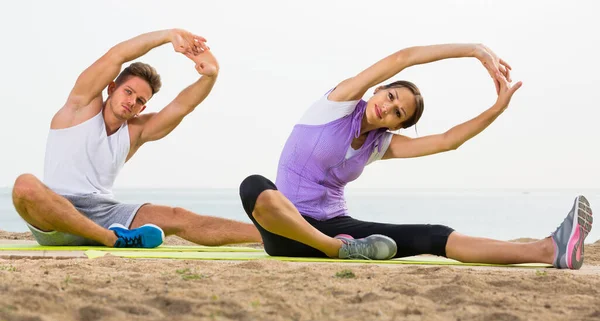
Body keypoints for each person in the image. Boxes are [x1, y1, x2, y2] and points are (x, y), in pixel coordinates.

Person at [239, 43, 593, 269]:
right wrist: (473, 50)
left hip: (340, 229)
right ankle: (335, 250)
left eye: (398, 114)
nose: (388, 108)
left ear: (399, 125)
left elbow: (447, 140)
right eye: (391, 97)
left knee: (433, 235)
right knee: (254, 186)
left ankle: (549, 250)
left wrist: (497, 108)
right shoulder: (336, 105)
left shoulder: (380, 145)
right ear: (380, 89)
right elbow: (402, 58)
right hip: (290, 231)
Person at [12, 29, 261, 248]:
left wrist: (210, 76)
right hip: (57, 215)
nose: (132, 101)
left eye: (140, 100)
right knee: (25, 185)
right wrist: (167, 35)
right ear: (111, 88)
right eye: (128, 92)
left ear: (142, 108)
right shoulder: (80, 107)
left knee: (178, 216)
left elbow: (181, 107)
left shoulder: (135, 132)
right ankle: (110, 239)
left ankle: (270, 235)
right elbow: (116, 56)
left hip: (106, 213)